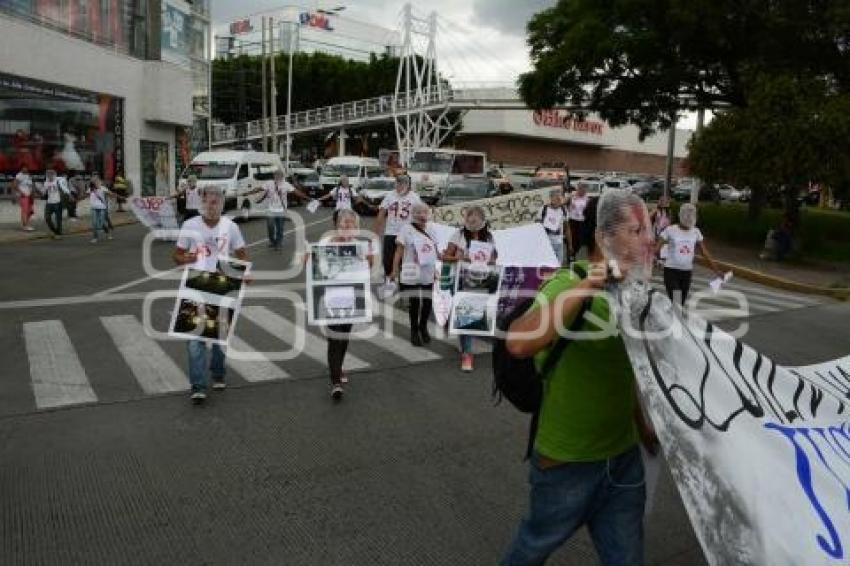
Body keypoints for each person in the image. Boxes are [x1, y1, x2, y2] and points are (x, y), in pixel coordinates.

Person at [502, 189, 658, 566]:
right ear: (606, 236)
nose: (648, 240)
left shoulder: (634, 293)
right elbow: (519, 343)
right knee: (531, 549)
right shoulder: (567, 283)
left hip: (622, 460)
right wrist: (590, 283)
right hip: (567, 463)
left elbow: (624, 370)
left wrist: (641, 428)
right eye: (636, 231)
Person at [173, 185, 249, 404]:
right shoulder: (189, 225)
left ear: (222, 203)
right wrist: (187, 259)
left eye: (216, 201)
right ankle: (198, 385)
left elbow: (242, 255)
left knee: (219, 338)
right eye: (207, 201)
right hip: (195, 285)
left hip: (222, 287)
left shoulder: (231, 227)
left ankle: (218, 372)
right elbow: (176, 255)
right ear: (201, 202)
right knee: (194, 338)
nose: (211, 205)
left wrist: (243, 274)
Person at [320, 209, 375, 400]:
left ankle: (339, 367)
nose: (347, 227)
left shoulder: (361, 246)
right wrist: (308, 259)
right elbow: (316, 269)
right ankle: (335, 382)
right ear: (337, 226)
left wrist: (366, 259)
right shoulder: (326, 243)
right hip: (330, 300)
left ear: (357, 228)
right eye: (344, 224)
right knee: (335, 339)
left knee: (343, 338)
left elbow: (369, 267)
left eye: (351, 224)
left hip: (351, 300)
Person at [442, 206, 498, 372]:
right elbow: (445, 256)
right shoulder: (458, 235)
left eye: (475, 220)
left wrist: (490, 261)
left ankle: (456, 327)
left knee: (466, 314)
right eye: (469, 220)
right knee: (464, 314)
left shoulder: (488, 237)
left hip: (479, 280)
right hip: (459, 279)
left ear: (482, 221)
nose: (471, 223)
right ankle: (467, 353)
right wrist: (460, 258)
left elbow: (494, 258)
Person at [390, 202, 440, 346]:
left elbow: (435, 251)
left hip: (427, 271)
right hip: (411, 270)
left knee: (427, 302)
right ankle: (414, 331)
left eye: (424, 212)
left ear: (428, 214)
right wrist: (394, 270)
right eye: (418, 212)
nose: (421, 215)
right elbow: (399, 251)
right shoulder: (406, 229)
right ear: (413, 214)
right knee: (414, 302)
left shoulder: (431, 228)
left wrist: (438, 267)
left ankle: (423, 327)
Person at [656, 203, 722, 306]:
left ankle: (671, 319)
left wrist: (716, 270)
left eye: (691, 216)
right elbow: (657, 248)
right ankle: (674, 319)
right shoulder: (670, 230)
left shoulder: (696, 232)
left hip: (686, 273)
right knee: (676, 300)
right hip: (671, 271)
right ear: (681, 215)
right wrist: (657, 259)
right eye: (687, 215)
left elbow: (704, 252)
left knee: (679, 303)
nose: (689, 218)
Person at [373, 174, 422, 282]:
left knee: (405, 259)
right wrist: (375, 232)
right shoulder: (390, 195)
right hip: (391, 232)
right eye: (398, 183)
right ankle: (389, 280)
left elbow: (420, 214)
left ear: (408, 185)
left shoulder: (414, 197)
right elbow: (381, 213)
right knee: (388, 259)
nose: (399, 186)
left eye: (402, 184)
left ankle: (403, 281)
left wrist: (420, 231)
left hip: (407, 233)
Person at [253, 169, 308, 251]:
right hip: (271, 209)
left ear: (282, 177)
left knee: (280, 228)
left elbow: (296, 192)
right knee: (270, 226)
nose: (277, 177)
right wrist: (254, 190)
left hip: (281, 210)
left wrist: (306, 197)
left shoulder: (286, 185)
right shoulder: (269, 183)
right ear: (274, 176)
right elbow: (260, 188)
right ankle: (272, 241)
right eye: (275, 175)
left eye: (279, 175)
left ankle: (278, 243)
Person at [536, 188, 569, 265]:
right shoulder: (544, 209)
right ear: (551, 198)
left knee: (558, 265)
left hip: (559, 243)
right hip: (546, 243)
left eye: (559, 197)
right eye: (556, 197)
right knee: (547, 264)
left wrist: (570, 245)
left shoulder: (564, 210)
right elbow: (537, 225)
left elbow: (567, 228)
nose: (558, 199)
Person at [566, 182, 590, 261]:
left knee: (580, 241)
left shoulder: (587, 199)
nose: (583, 191)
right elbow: (564, 203)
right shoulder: (571, 196)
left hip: (582, 222)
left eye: (585, 190)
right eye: (581, 189)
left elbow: (588, 211)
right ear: (578, 189)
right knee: (571, 239)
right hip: (572, 220)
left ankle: (574, 252)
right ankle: (571, 255)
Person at [88, 179, 114, 243]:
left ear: (100, 183)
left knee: (101, 223)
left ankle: (108, 232)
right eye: (95, 182)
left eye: (97, 182)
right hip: (93, 208)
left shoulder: (103, 188)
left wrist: (112, 195)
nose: (96, 183)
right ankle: (95, 237)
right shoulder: (90, 189)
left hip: (102, 208)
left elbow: (110, 194)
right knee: (94, 223)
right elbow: (85, 195)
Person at [650, 195, 672, 264]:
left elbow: (670, 222)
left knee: (662, 245)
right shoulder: (656, 210)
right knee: (657, 244)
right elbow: (648, 217)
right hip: (656, 231)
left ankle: (659, 259)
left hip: (665, 231)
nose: (664, 203)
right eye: (662, 201)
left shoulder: (669, 212)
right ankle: (655, 258)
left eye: (666, 201)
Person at [42, 169, 64, 239]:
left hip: (58, 202)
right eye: (48, 175)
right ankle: (55, 231)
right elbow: (44, 192)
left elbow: (63, 189)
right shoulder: (46, 183)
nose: (49, 176)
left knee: (58, 219)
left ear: (54, 175)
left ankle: (58, 233)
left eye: (51, 175)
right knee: (47, 218)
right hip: (49, 202)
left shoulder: (58, 181)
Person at [13, 166, 35, 231]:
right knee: (25, 211)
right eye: (24, 168)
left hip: (29, 195)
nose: (25, 169)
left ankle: (25, 224)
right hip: (23, 196)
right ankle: (25, 226)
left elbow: (31, 185)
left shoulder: (28, 175)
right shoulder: (19, 176)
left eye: (26, 168)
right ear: (21, 168)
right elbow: (14, 185)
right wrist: (21, 192)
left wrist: (32, 194)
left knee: (30, 211)